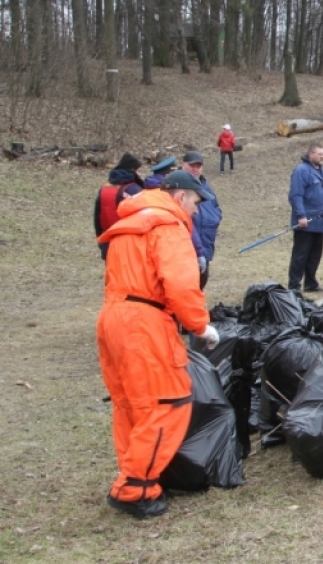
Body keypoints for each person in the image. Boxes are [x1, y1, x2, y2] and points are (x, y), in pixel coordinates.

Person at [95, 170, 220, 519]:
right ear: (180, 197)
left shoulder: (132, 222)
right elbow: (181, 284)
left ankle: (142, 476)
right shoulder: (168, 227)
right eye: (196, 202)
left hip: (113, 317)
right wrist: (200, 326)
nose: (196, 211)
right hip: (144, 324)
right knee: (169, 401)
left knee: (131, 404)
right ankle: (134, 487)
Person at [288, 143, 323, 293]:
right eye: (319, 154)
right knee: (300, 255)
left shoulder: (322, 172)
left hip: (320, 221)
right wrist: (301, 216)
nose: (322, 157)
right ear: (311, 155)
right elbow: (296, 195)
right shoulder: (301, 171)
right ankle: (294, 286)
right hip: (306, 222)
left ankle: (310, 284)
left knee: (315, 254)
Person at [181, 150, 222, 289]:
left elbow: (216, 207)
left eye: (198, 166)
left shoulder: (205, 186)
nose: (195, 169)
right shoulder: (178, 185)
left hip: (206, 243)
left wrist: (216, 218)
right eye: (192, 165)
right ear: (183, 165)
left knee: (201, 282)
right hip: (186, 246)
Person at [94, 153, 144, 261]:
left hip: (108, 241)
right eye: (138, 170)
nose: (140, 174)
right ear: (132, 170)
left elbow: (97, 217)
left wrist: (101, 241)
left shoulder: (105, 187)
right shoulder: (134, 190)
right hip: (129, 244)